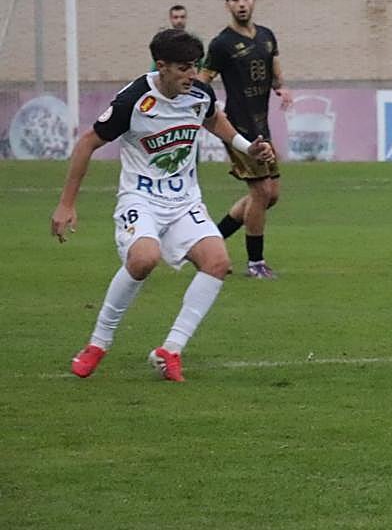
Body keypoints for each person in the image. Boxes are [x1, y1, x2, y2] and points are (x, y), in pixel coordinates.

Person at [53, 29, 275, 382]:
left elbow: (214, 119)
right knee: (143, 259)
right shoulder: (134, 100)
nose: (193, 74)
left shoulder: (198, 93)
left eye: (196, 66)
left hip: (184, 200)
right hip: (141, 199)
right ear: (163, 66)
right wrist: (66, 204)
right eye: (185, 68)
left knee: (217, 262)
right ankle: (97, 343)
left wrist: (249, 147)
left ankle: (170, 350)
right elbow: (86, 144)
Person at [196, 0, 293, 279]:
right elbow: (203, 81)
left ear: (253, 0)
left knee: (270, 195)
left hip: (262, 126)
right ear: (227, 4)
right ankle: (256, 264)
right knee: (261, 192)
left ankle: (208, 240)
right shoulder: (222, 44)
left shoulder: (266, 36)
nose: (241, 3)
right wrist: (201, 110)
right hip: (238, 128)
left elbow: (275, 74)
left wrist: (282, 89)